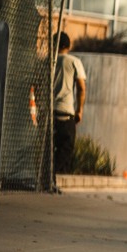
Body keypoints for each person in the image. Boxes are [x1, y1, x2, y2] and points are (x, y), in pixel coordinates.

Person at [51, 32, 86, 176]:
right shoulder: (74, 61)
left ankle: (49, 174)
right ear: (68, 45)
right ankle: (53, 175)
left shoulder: (49, 61)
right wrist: (80, 110)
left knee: (50, 148)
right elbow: (81, 87)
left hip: (50, 112)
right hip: (66, 113)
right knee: (66, 147)